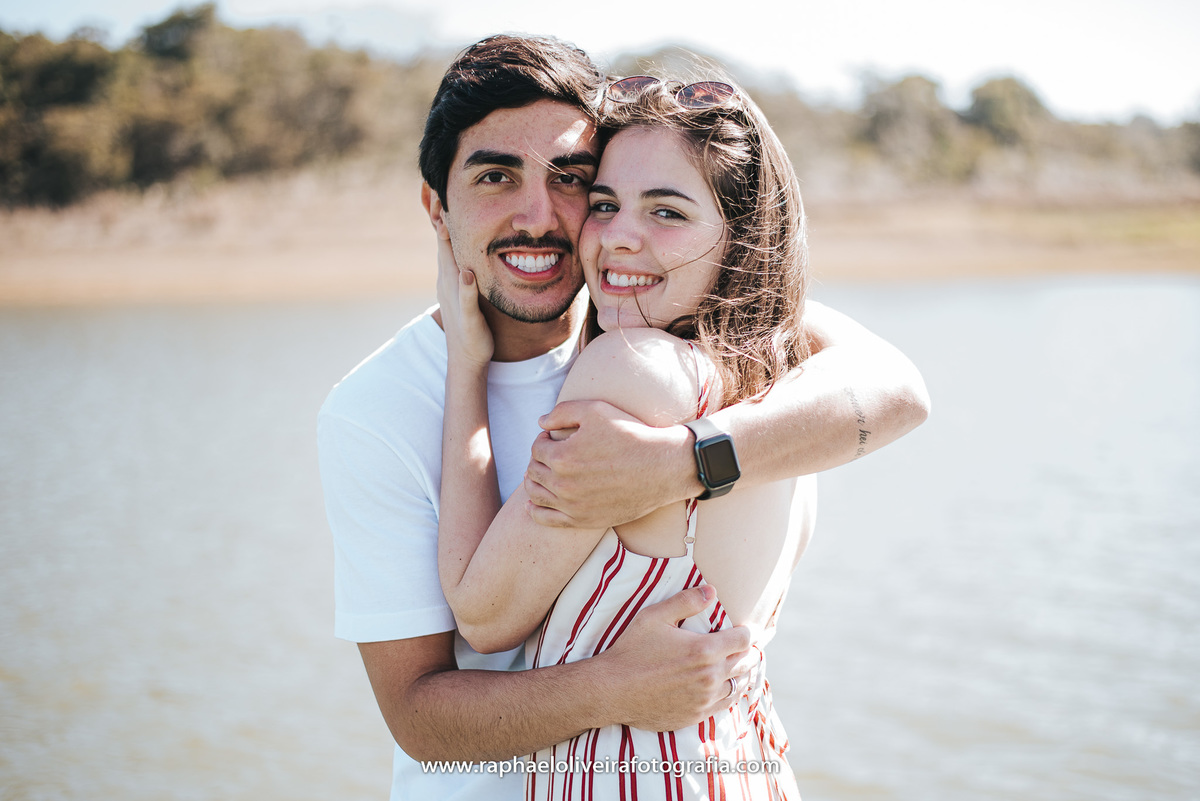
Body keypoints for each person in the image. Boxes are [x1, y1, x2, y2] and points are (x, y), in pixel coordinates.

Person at [317, 34, 929, 801]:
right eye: (496, 176)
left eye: (571, 180)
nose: (540, 217)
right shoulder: (376, 410)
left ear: (734, 242)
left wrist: (680, 460)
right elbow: (420, 717)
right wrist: (610, 686)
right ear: (436, 206)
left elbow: (899, 388)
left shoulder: (635, 348)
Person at [436, 71, 831, 799]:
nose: (618, 237)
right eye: (607, 203)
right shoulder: (786, 393)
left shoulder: (631, 369)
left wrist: (468, 365)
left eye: (668, 213)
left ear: (739, 240)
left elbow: (482, 610)